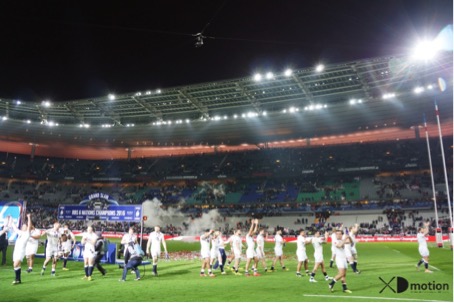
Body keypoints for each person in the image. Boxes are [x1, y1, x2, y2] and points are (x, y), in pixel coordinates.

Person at [11, 214, 32, 284]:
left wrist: (29, 217)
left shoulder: (27, 234)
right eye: (23, 226)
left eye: (24, 226)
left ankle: (16, 279)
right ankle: (18, 280)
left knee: (15, 265)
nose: (23, 227)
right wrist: (11, 219)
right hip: (16, 251)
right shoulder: (20, 233)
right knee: (17, 265)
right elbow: (15, 228)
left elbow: (29, 226)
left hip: (21, 251)